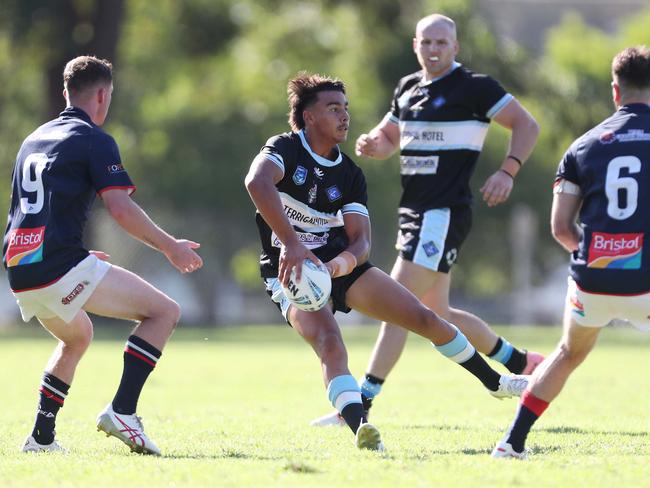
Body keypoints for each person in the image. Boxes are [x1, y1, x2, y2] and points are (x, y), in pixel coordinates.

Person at [245, 72, 530, 451]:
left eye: (345, 108)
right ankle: (361, 428)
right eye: (333, 109)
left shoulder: (348, 174)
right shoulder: (284, 149)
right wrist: (294, 246)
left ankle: (494, 383)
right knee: (330, 341)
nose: (344, 116)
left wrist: (341, 265)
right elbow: (257, 183)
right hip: (290, 271)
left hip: (337, 264)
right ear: (309, 117)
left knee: (425, 317)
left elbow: (361, 241)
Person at [311, 13, 543, 427]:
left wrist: (507, 170)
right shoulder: (407, 88)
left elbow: (526, 124)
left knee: (397, 303)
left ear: (455, 47)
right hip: (413, 213)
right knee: (437, 311)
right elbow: (386, 140)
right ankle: (522, 361)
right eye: (426, 43)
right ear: (415, 45)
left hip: (442, 212)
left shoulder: (475, 88)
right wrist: (372, 143)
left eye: (441, 43)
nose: (433, 50)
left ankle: (361, 402)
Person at [3, 56, 203, 455]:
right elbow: (120, 208)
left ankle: (41, 437)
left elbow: (25, 212)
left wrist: (70, 257)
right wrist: (170, 246)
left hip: (22, 268)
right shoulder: (94, 139)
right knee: (165, 312)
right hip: (56, 265)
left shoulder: (34, 139)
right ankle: (123, 411)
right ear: (101, 94)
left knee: (77, 336)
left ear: (65, 93)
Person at [492, 45, 650, 459]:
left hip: (593, 278)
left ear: (615, 91)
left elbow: (561, 228)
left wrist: (607, 256)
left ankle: (512, 442)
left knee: (567, 353)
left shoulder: (583, 146)